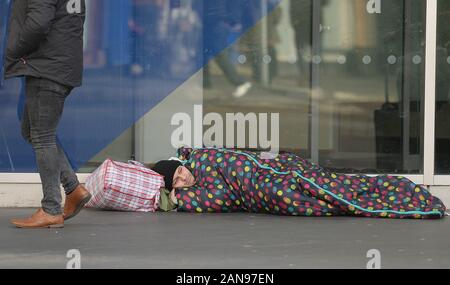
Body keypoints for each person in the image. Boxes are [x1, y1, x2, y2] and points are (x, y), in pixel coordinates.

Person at [152, 147, 446, 219]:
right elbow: (223, 198)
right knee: (332, 198)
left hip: (276, 172)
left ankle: (407, 194)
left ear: (182, 164)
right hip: (270, 187)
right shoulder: (198, 188)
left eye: (179, 172)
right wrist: (180, 199)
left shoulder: (202, 160)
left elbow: (224, 188)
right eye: (177, 183)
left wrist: (182, 200)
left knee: (338, 186)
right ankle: (411, 201)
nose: (183, 179)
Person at [4, 0, 91, 228]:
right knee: (31, 129)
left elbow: (38, 24)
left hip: (47, 67)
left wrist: (13, 50)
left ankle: (51, 208)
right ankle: (73, 188)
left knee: (42, 136)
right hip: (59, 64)